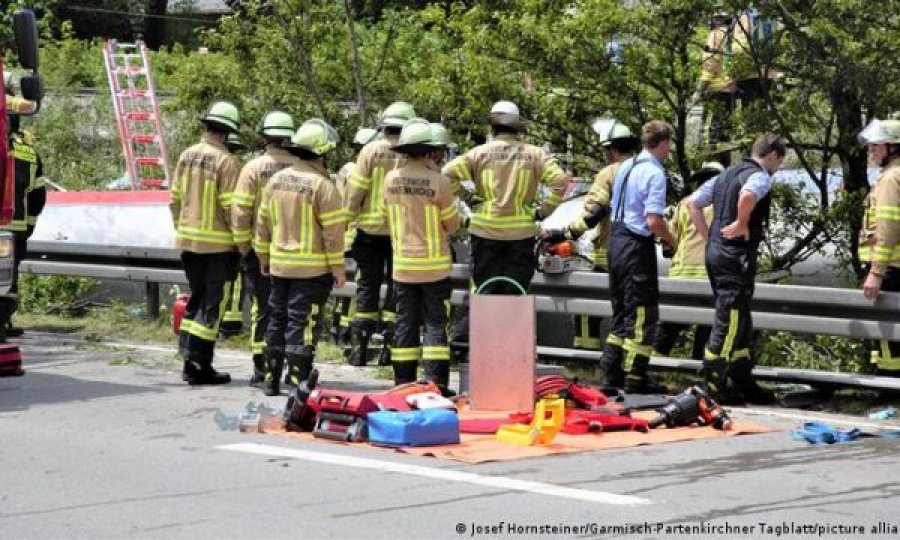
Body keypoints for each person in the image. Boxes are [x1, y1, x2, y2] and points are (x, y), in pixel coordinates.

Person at [688, 133, 786, 403]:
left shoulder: (725, 174)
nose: (777, 168)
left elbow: (692, 203)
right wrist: (742, 223)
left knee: (740, 317)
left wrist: (709, 238)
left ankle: (743, 379)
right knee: (729, 319)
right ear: (773, 155)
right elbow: (747, 195)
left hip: (717, 253)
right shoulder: (759, 176)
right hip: (736, 256)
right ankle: (714, 385)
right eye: (780, 162)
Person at [255, 119, 345, 396]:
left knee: (276, 320)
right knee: (303, 324)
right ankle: (297, 382)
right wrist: (338, 268)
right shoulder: (323, 186)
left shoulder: (276, 180)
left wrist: (263, 256)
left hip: (280, 265)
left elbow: (262, 222)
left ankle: (271, 378)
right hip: (312, 270)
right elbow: (332, 234)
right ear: (322, 152)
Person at [545, 119, 639, 352]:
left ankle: (585, 359)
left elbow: (594, 212)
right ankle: (631, 363)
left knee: (588, 309)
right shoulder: (646, 170)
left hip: (611, 251)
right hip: (640, 253)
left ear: (612, 149)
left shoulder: (610, 173)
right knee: (633, 311)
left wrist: (566, 232)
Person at [382, 119, 460, 390]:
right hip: (435, 267)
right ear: (429, 150)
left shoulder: (390, 180)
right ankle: (436, 384)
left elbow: (384, 215)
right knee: (435, 324)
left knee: (405, 324)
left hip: (402, 266)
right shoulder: (439, 181)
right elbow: (453, 224)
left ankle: (402, 383)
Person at [170, 100, 242, 385]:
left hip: (188, 242)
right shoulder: (226, 161)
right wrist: (241, 241)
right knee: (213, 304)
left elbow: (174, 199)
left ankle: (189, 359)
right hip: (218, 246)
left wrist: (182, 228)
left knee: (196, 297)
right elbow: (229, 206)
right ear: (226, 132)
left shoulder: (187, 155)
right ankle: (201, 363)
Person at [603, 120, 677, 392]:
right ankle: (635, 377)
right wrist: (671, 240)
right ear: (664, 142)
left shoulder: (625, 166)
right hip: (636, 246)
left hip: (616, 241)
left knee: (621, 312)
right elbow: (654, 221)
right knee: (643, 314)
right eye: (669, 144)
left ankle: (611, 376)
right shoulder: (654, 173)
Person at [344, 102, 416, 367]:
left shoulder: (370, 150)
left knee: (366, 289)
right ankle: (389, 350)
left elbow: (355, 191)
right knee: (396, 290)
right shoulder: (410, 153)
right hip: (401, 232)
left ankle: (359, 351)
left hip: (369, 232)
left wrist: (347, 221)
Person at [231, 110, 300, 385]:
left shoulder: (253, 168)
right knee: (292, 311)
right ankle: (291, 368)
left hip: (261, 250)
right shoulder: (301, 168)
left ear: (265, 137)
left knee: (264, 309)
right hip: (295, 251)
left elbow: (240, 210)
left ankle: (263, 367)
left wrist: (244, 246)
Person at [652, 162, 722, 360]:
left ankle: (654, 365)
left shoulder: (684, 205)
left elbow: (670, 242)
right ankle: (698, 369)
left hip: (681, 276)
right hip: (710, 276)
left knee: (669, 327)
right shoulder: (725, 204)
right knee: (707, 327)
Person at [0, 93, 45, 341]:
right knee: (8, 278)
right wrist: (29, 226)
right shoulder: (29, 152)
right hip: (15, 227)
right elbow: (38, 196)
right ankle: (4, 321)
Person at [857, 119, 900, 376]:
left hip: (890, 270)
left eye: (876, 145)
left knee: (886, 334)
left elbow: (888, 228)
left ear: (892, 147)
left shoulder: (890, 178)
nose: (871, 150)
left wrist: (876, 272)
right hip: (893, 267)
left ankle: (888, 384)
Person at [331, 127, 378, 350]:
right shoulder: (360, 170)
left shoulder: (345, 169)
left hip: (344, 233)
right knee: (360, 286)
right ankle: (349, 333)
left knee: (346, 290)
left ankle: (339, 329)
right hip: (358, 233)